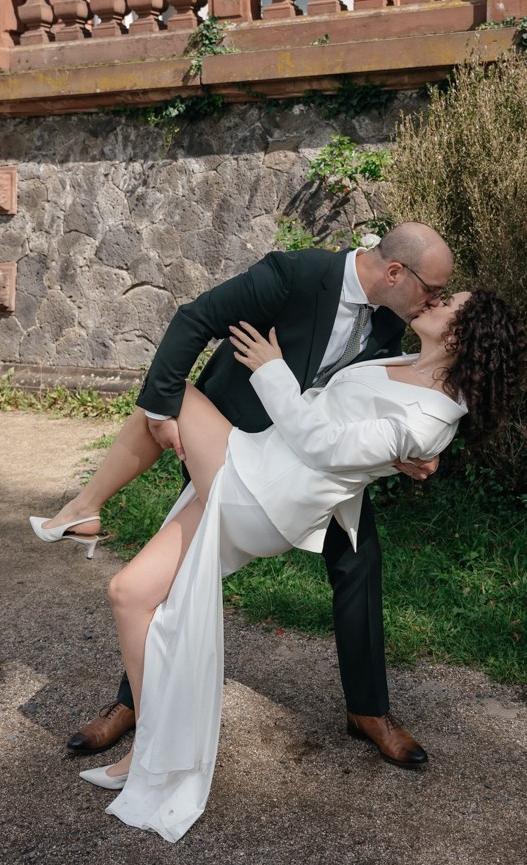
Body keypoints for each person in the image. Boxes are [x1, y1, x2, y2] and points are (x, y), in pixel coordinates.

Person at [33, 288, 523, 842]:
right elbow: (335, 410)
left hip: (262, 495)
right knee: (129, 593)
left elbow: (322, 444)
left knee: (173, 386)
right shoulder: (404, 362)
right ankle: (150, 755)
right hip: (254, 464)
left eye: (451, 301)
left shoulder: (431, 417)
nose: (436, 300)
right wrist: (393, 457)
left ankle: (84, 507)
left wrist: (271, 370)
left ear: (467, 332)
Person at [33, 224, 455, 768]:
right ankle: (131, 704)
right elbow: (195, 319)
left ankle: (369, 710)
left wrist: (410, 450)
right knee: (172, 571)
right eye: (432, 290)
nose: (435, 301)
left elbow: (373, 409)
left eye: (441, 297)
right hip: (233, 443)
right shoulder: (295, 274)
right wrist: (162, 412)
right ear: (396, 272)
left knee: (359, 561)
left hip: (314, 465)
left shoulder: (394, 324)